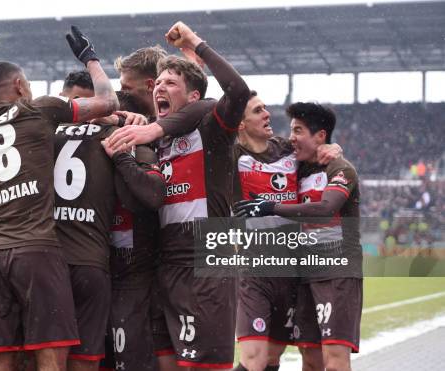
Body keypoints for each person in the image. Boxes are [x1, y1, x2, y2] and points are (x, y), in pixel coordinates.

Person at [0, 26, 118, 371]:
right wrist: (90, 58)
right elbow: (108, 100)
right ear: (19, 86)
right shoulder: (39, 110)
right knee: (51, 358)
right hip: (37, 250)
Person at [115, 21, 251, 370]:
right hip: (165, 266)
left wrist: (195, 44)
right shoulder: (154, 138)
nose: (160, 87)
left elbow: (236, 91)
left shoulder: (211, 130)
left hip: (207, 263)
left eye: (170, 83)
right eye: (157, 83)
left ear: (192, 96)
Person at [234, 102, 362, 371]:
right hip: (303, 278)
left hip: (336, 274)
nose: (291, 138)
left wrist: (271, 206)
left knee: (335, 362)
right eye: (291, 130)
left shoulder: (340, 169)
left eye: (299, 130)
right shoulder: (298, 168)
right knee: (312, 360)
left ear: (320, 136)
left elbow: (325, 209)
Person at [55, 79, 165, 371]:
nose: (88, 114)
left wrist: (122, 148)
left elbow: (152, 195)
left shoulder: (131, 142)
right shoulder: (86, 139)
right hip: (95, 264)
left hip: (123, 269)